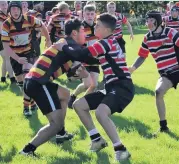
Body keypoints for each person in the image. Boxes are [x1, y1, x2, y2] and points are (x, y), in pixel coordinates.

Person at [56, 13, 134, 162]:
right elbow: (89, 58)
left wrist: (65, 46)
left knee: (100, 113)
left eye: (97, 25)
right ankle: (97, 139)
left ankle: (120, 149)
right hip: (112, 86)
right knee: (79, 105)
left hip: (122, 86)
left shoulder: (105, 42)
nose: (94, 27)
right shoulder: (107, 42)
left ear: (106, 29)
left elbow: (81, 54)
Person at [20, 18, 99, 156]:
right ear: (74, 33)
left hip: (37, 81)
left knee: (65, 94)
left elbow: (72, 73)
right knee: (54, 124)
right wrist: (108, 59)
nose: (85, 34)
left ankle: (61, 134)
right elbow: (85, 56)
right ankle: (27, 150)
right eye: (82, 31)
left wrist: (78, 73)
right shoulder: (67, 45)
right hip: (38, 83)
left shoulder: (68, 46)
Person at [129, 11, 179, 135]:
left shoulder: (170, 32)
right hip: (166, 73)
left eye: (150, 20)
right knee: (158, 92)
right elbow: (142, 56)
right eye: (147, 20)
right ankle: (163, 127)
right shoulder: (147, 38)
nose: (148, 23)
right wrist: (133, 67)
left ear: (157, 21)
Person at [1, 1, 51, 116]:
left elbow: (42, 25)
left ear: (20, 10)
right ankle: (32, 103)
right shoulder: (6, 24)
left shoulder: (29, 19)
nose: (15, 11)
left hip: (29, 53)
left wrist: (48, 39)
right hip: (15, 56)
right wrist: (17, 59)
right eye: (12, 9)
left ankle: (25, 107)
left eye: (17, 9)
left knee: (27, 79)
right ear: (9, 11)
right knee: (22, 83)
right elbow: (6, 47)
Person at [68, 4, 100, 109]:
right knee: (87, 84)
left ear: (95, 14)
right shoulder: (80, 27)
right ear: (83, 14)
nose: (90, 16)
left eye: (92, 14)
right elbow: (74, 42)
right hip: (83, 59)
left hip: (95, 59)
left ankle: (80, 103)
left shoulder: (98, 27)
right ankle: (73, 96)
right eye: (87, 14)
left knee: (94, 85)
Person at [0, 1, 15, 83]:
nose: (4, 6)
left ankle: (3, 78)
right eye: (2, 4)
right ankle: (12, 78)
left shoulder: (8, 15)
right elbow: (1, 30)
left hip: (7, 39)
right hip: (2, 39)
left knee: (5, 59)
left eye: (5, 4)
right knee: (8, 58)